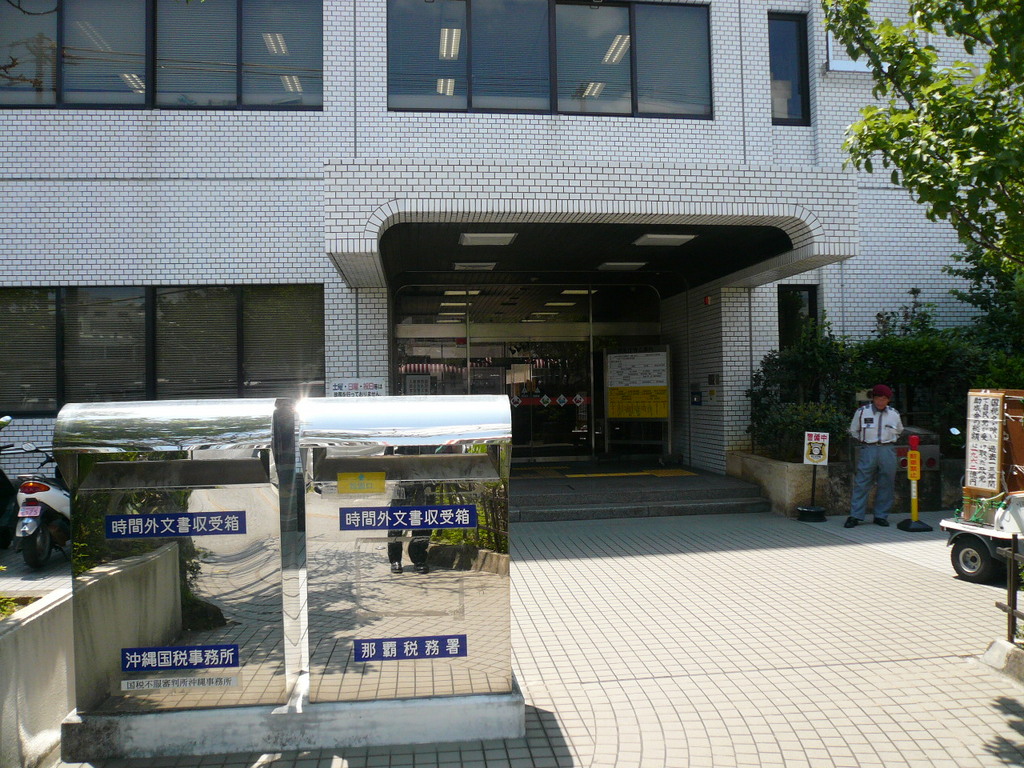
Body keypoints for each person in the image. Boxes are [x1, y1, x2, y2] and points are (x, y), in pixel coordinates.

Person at [845, 384, 904, 528]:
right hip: (868, 448)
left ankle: (881, 516)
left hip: (887, 449)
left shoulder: (894, 414)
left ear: (888, 400)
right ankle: (855, 515)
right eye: (878, 398)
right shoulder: (862, 412)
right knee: (862, 482)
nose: (880, 402)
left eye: (884, 399)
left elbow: (899, 431)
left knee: (887, 483)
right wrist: (864, 441)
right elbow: (854, 430)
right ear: (873, 398)